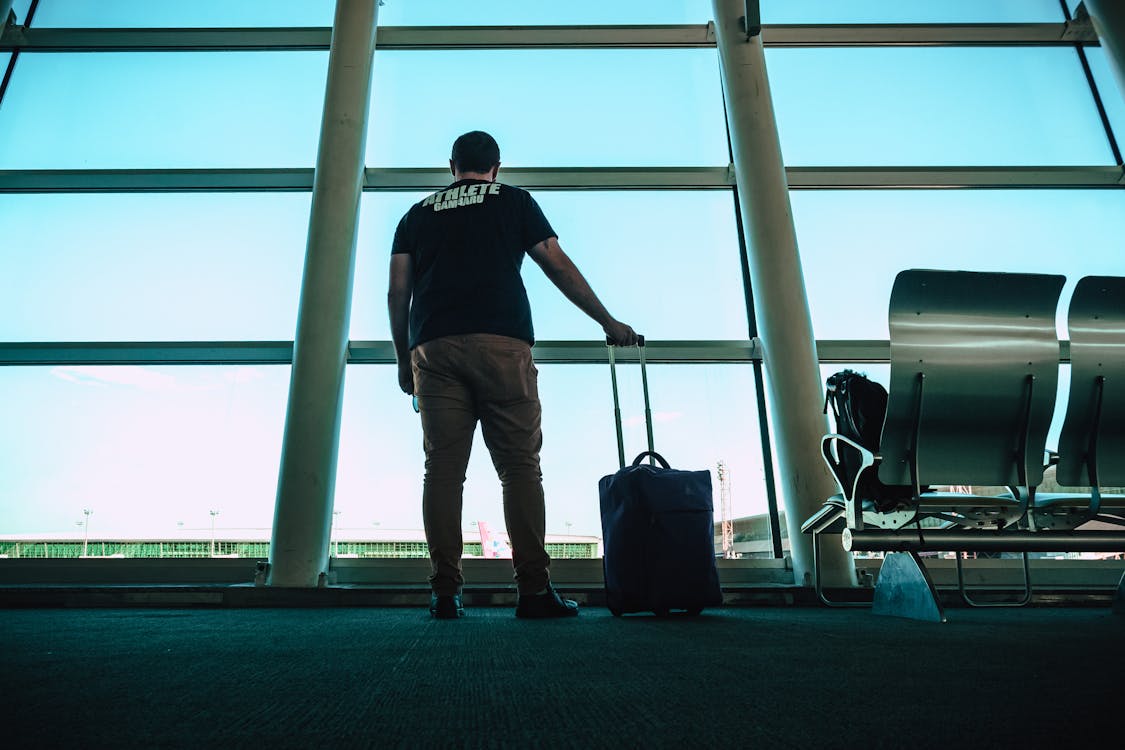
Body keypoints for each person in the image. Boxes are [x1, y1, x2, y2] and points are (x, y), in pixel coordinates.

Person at [387, 131, 639, 620]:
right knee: (520, 468)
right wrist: (607, 321)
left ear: (452, 166)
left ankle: (444, 592)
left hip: (434, 348)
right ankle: (533, 590)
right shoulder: (515, 201)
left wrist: (403, 358)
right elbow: (557, 265)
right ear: (496, 167)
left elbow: (398, 292)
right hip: (502, 342)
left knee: (442, 470)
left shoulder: (416, 214)